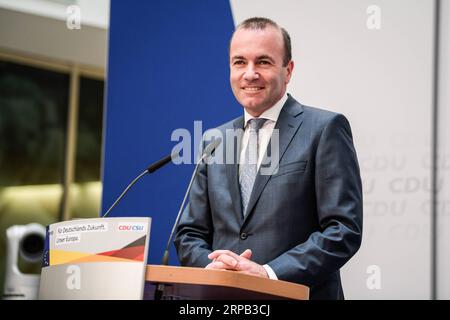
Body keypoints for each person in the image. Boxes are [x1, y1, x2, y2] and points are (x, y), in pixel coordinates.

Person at [174, 17, 363, 300]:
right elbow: (189, 232)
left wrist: (269, 273)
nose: (250, 74)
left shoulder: (325, 129)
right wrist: (211, 267)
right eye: (239, 62)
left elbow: (343, 230)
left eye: (263, 62)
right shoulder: (214, 139)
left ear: (288, 70)